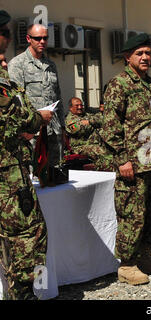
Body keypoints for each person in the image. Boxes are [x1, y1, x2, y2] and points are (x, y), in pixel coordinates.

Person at [99, 33, 151, 285]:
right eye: (139, 54)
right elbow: (110, 127)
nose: (145, 57)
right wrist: (122, 160)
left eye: (147, 53)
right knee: (133, 214)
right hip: (134, 165)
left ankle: (145, 256)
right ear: (127, 57)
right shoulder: (119, 84)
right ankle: (127, 264)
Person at [0, 10, 53, 300]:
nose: (8, 39)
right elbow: (27, 118)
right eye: (5, 32)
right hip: (9, 176)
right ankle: (29, 293)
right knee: (32, 235)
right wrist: (36, 118)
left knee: (15, 238)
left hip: (16, 168)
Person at [8, 23, 65, 169]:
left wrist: (63, 126)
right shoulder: (17, 64)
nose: (42, 42)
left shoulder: (51, 65)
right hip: (32, 132)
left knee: (55, 175)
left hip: (53, 130)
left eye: (45, 38)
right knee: (33, 177)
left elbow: (57, 96)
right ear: (28, 38)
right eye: (38, 38)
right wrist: (26, 129)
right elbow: (16, 100)